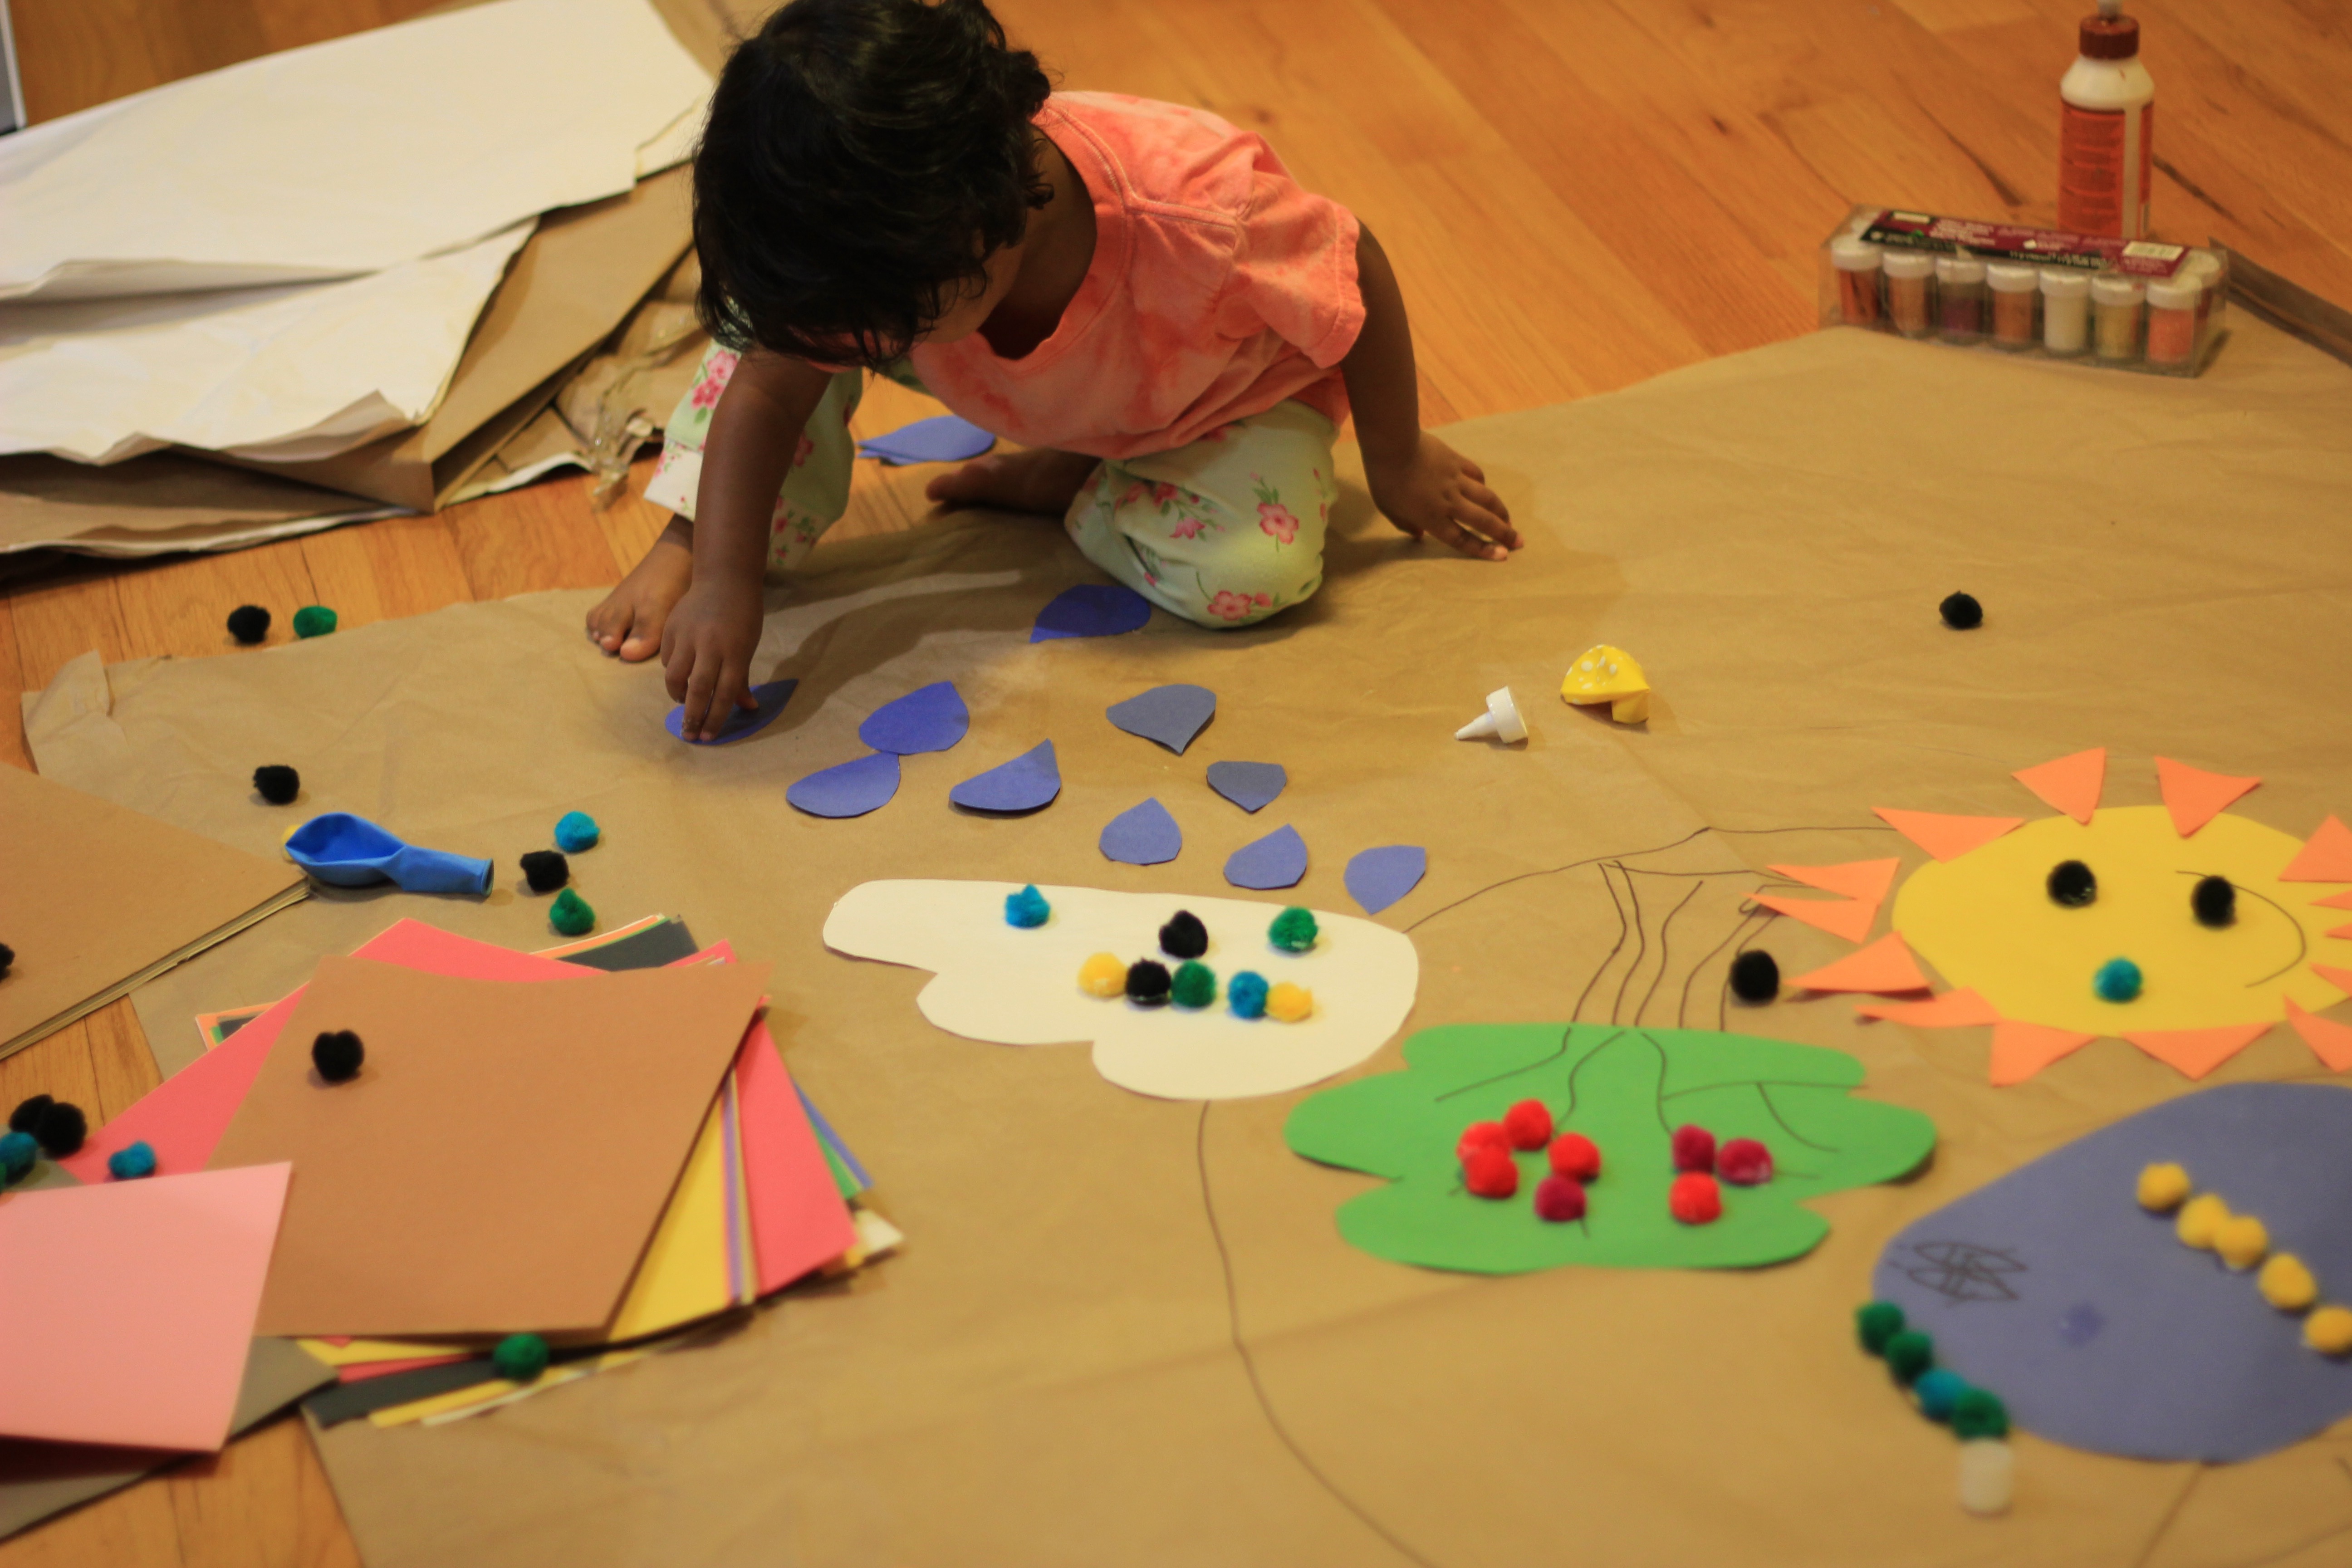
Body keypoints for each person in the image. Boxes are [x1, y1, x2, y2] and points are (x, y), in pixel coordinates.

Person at [588, 0, 1519, 738]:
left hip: (1200, 397)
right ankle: (695, 526)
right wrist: (722, 576)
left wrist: (1397, 457)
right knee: (768, 341)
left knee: (1253, 576)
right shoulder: (906, 261)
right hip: (1020, 374)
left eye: (881, 329)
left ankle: (1088, 479)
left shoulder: (1201, 217)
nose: (851, 351)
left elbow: (1354, 262)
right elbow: (767, 388)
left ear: (986, 227)